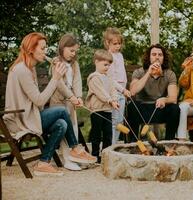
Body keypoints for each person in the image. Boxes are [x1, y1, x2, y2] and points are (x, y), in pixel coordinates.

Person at [3, 32, 96, 176]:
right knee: (61, 111)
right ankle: (75, 148)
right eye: (43, 48)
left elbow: (37, 101)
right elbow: (39, 100)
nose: (46, 51)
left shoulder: (29, 68)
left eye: (46, 48)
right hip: (19, 120)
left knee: (62, 124)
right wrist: (56, 78)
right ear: (31, 49)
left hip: (29, 116)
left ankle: (43, 162)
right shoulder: (22, 70)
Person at [127, 44, 180, 142]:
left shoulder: (169, 74)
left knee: (175, 108)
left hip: (159, 108)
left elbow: (173, 98)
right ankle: (133, 144)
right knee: (131, 106)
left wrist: (164, 99)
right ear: (149, 57)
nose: (157, 57)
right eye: (154, 54)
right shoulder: (139, 72)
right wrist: (148, 73)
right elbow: (133, 92)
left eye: (160, 55)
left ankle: (168, 141)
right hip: (142, 109)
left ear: (163, 58)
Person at [49, 33, 84, 171]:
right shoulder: (56, 62)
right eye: (71, 50)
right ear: (63, 47)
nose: (73, 53)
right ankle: (67, 159)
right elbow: (59, 83)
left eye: (75, 51)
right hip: (58, 101)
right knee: (64, 128)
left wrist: (79, 96)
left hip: (71, 101)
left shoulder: (75, 64)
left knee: (73, 128)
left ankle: (75, 156)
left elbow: (77, 81)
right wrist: (71, 96)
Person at [86, 49, 119, 163]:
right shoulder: (94, 77)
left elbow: (112, 90)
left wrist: (115, 99)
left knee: (108, 134)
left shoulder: (108, 78)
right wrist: (110, 100)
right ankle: (95, 155)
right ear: (96, 62)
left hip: (107, 110)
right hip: (97, 110)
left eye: (108, 65)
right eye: (105, 64)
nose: (107, 67)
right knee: (96, 134)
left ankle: (105, 154)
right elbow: (101, 93)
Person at [103, 27, 131, 144]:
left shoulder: (120, 56)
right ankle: (111, 145)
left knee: (120, 121)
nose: (117, 46)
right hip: (114, 92)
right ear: (107, 43)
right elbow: (110, 79)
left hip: (122, 92)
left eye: (119, 44)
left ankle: (114, 144)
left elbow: (122, 74)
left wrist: (124, 89)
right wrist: (122, 89)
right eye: (115, 44)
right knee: (114, 120)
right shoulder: (108, 57)